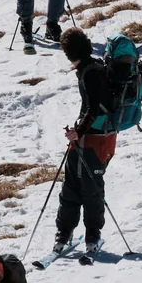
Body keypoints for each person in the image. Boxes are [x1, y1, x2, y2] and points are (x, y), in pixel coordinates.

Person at [54, 28, 116, 255]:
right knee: (79, 184)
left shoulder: (91, 72)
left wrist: (78, 132)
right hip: (97, 137)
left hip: (94, 138)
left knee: (86, 187)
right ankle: (76, 233)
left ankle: (85, 235)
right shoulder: (94, 66)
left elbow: (93, 106)